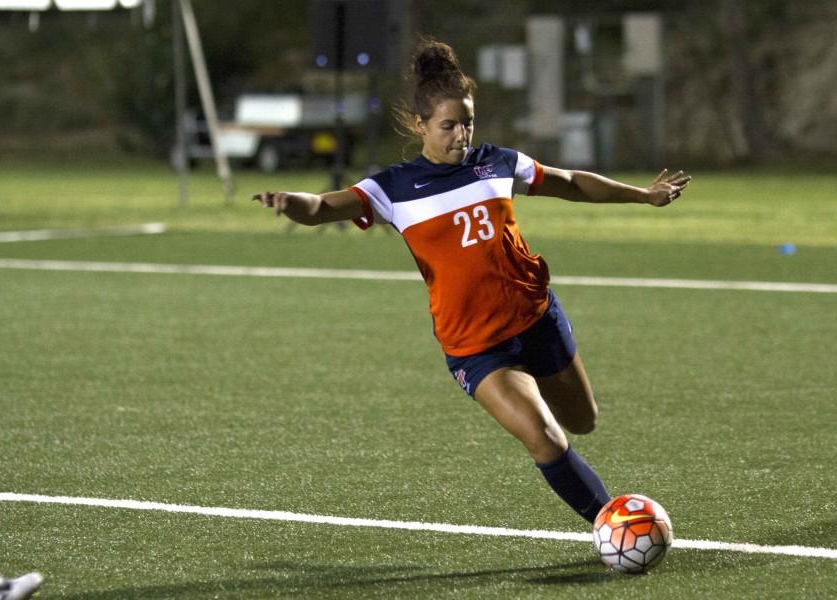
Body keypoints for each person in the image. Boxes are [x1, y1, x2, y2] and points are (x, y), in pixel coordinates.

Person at [253, 39, 690, 524]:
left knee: (582, 421)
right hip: (476, 346)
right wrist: (290, 201)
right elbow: (321, 207)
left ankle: (543, 405)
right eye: (448, 126)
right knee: (544, 436)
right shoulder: (393, 188)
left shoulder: (496, 162)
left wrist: (642, 196)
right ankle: (612, 526)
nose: (460, 134)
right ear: (420, 126)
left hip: (536, 318)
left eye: (467, 123)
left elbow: (568, 181)